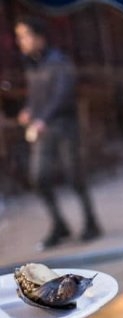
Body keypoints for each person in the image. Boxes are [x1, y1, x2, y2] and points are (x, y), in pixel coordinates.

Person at [14, 15, 102, 249]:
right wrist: (29, 110)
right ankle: (59, 224)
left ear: (40, 37)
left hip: (64, 127)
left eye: (26, 35)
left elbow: (62, 95)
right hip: (42, 130)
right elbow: (36, 96)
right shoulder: (32, 64)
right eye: (19, 37)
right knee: (39, 177)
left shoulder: (59, 62)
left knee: (75, 176)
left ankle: (91, 222)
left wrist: (43, 118)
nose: (22, 41)